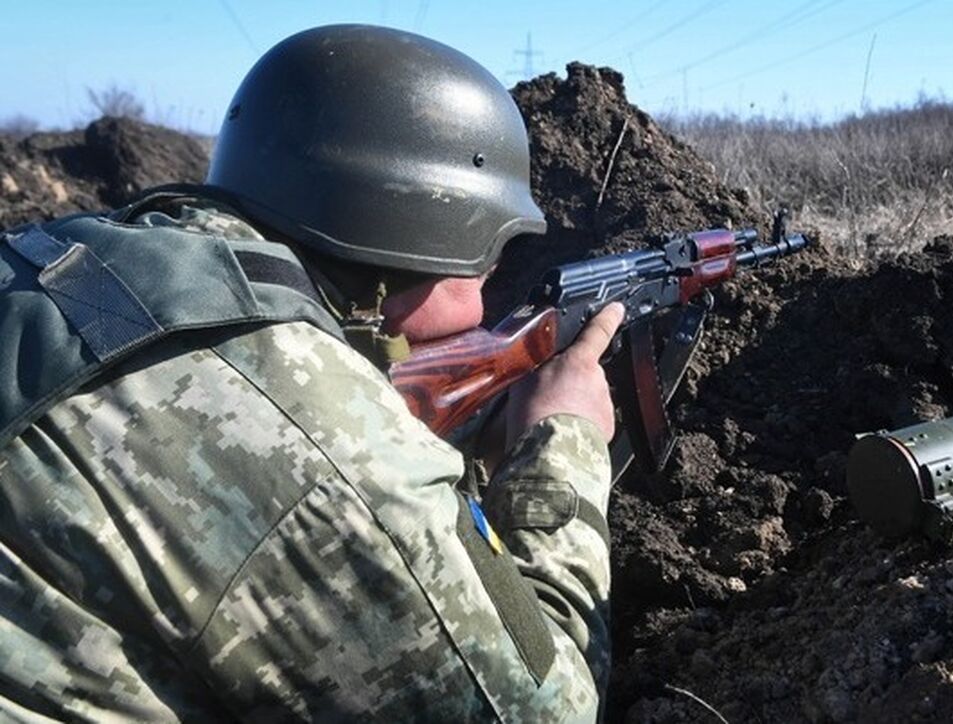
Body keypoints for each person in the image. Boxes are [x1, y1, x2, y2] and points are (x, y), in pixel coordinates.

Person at [0, 24, 621, 721]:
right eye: (490, 258)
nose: (485, 298)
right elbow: (547, 712)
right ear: (423, 232)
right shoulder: (328, 457)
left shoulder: (72, 257)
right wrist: (564, 442)